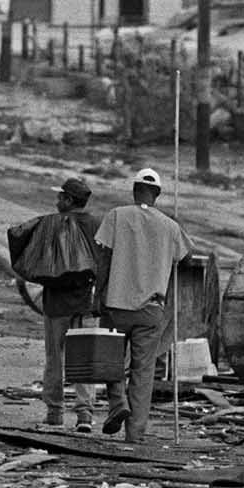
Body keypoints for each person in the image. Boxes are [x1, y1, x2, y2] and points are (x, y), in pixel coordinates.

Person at [7, 175, 122, 431]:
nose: (57, 200)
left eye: (60, 196)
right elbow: (105, 263)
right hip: (86, 303)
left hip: (56, 304)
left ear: (69, 200)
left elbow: (23, 243)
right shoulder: (97, 225)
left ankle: (55, 412)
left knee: (54, 359)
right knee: (84, 358)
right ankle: (84, 415)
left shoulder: (51, 224)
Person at [93, 168, 190, 444]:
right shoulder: (170, 226)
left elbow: (104, 260)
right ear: (157, 194)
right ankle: (134, 433)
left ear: (134, 191)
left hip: (116, 305)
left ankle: (117, 403)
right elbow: (186, 256)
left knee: (110, 361)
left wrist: (98, 294)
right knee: (143, 371)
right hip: (151, 310)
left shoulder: (116, 216)